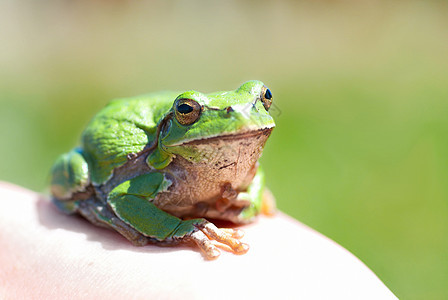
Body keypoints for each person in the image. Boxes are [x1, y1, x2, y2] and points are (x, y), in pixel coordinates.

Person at [0, 182, 396, 299]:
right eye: (190, 113)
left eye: (265, 101)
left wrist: (249, 193)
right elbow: (123, 195)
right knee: (81, 179)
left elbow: (254, 176)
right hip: (103, 174)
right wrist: (180, 228)